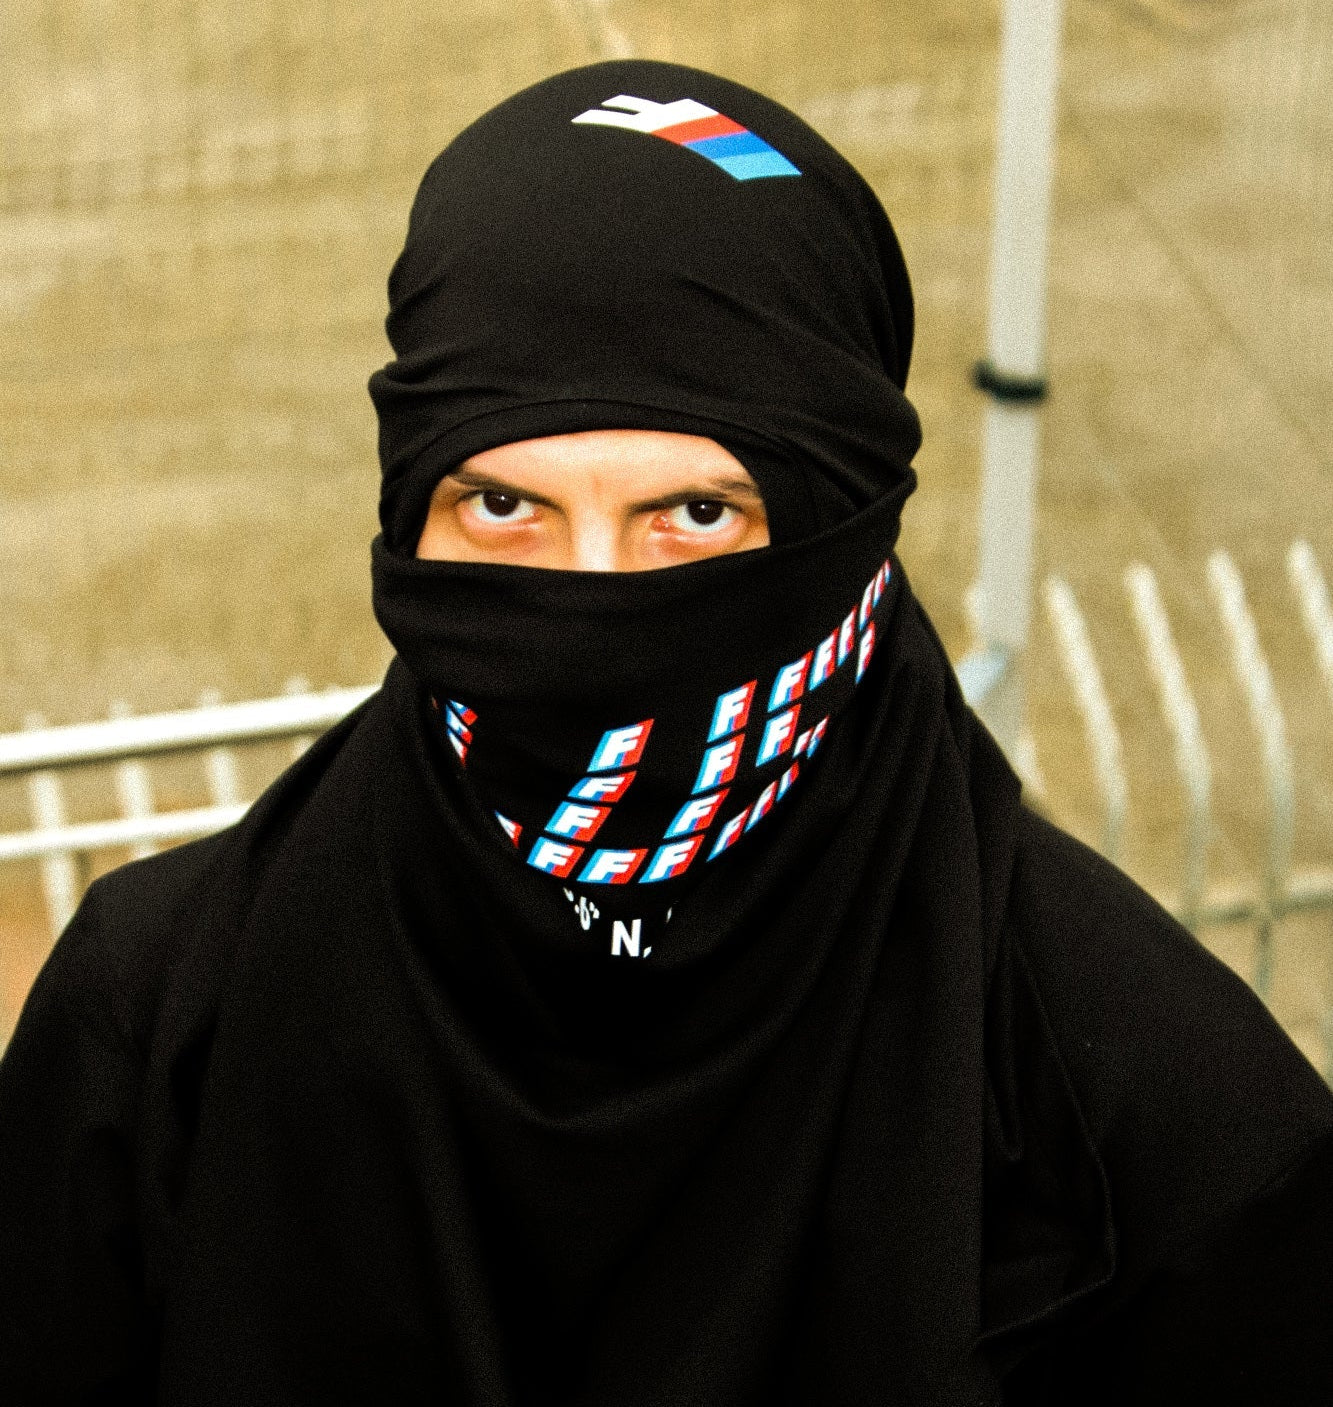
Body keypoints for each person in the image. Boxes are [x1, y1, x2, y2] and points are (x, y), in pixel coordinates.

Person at [1, 58, 1330, 1407]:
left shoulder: (1160, 1137)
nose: (592, 610)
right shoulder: (156, 1030)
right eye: (503, 507)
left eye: (695, 515)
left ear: (844, 538)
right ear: (410, 513)